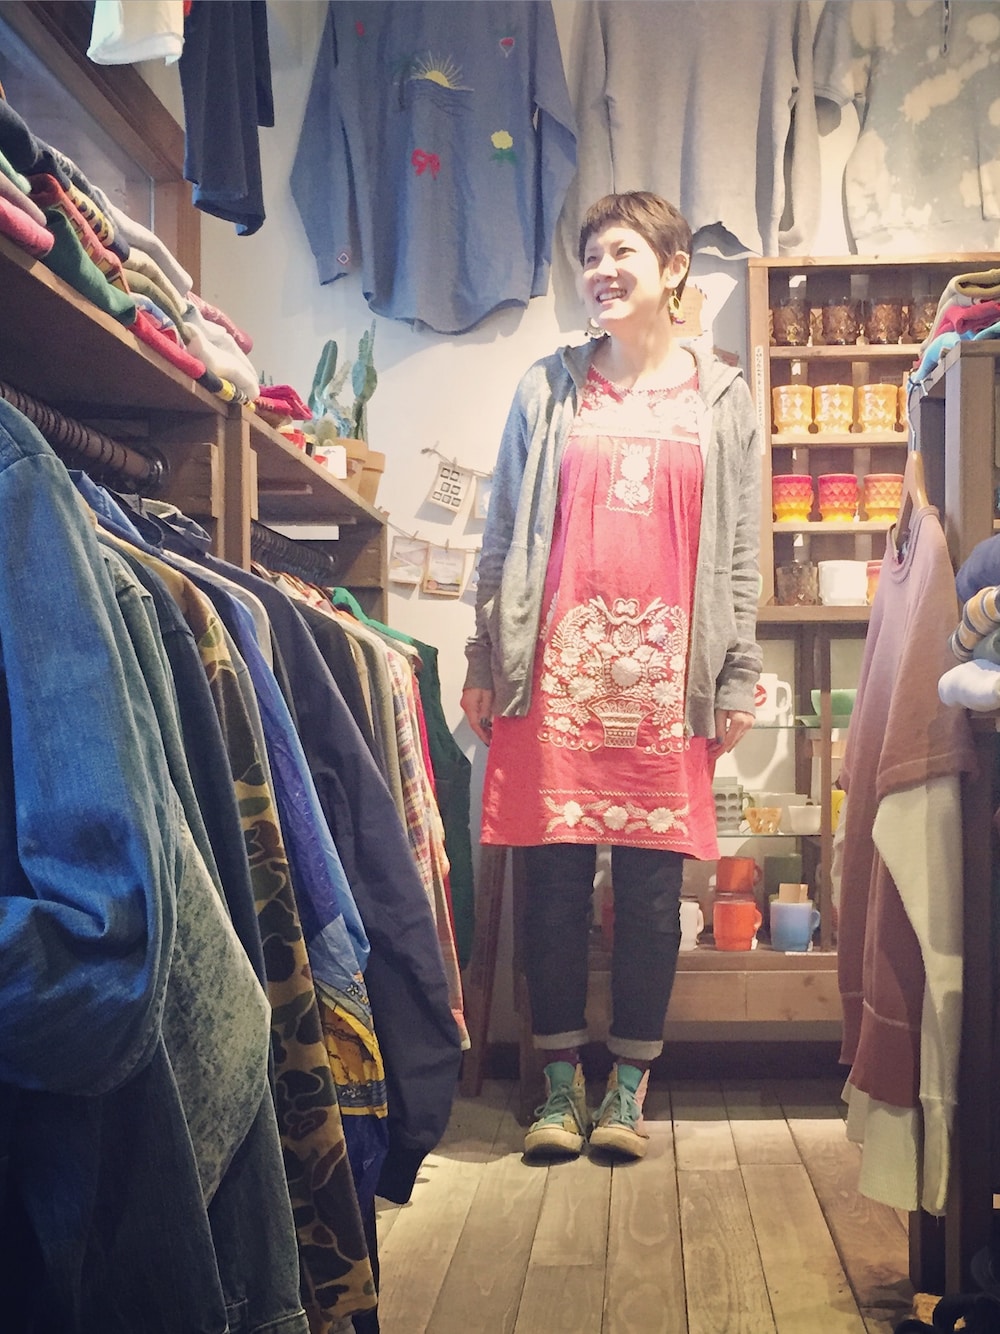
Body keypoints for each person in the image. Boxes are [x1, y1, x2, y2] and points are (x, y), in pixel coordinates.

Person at [461, 191, 762, 1159]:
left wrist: (736, 674)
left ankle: (627, 1087)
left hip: (668, 685)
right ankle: (558, 1085)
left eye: (621, 250)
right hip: (551, 677)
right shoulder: (546, 389)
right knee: (548, 886)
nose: (601, 269)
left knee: (647, 893)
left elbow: (741, 550)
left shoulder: (722, 397)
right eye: (590, 254)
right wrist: (482, 654)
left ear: (672, 268)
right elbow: (502, 534)